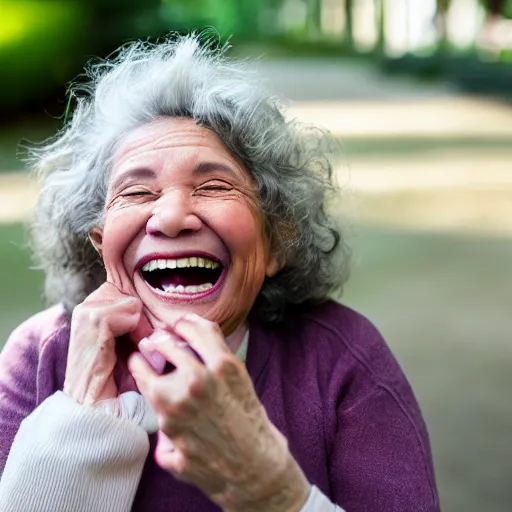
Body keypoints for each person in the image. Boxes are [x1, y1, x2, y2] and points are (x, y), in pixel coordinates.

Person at [0, 34, 440, 512]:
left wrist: (273, 492)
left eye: (213, 185)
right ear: (102, 244)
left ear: (275, 241)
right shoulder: (39, 356)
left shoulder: (342, 360)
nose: (170, 217)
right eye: (137, 192)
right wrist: (80, 423)